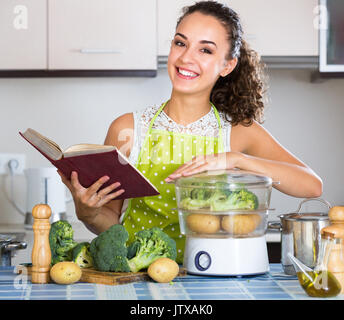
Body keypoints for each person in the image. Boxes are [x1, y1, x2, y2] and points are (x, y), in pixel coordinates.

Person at [58, 1, 322, 263]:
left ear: (227, 65)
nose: (186, 58)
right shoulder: (127, 129)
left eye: (205, 50)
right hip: (139, 277)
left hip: (214, 281)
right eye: (180, 43)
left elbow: (312, 185)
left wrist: (238, 159)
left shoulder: (238, 132)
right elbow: (111, 222)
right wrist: (88, 212)